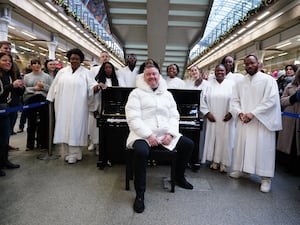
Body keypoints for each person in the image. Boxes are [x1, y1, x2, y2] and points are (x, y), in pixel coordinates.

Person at [125, 64, 194, 213]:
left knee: (188, 144)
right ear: (143, 77)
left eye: (154, 74)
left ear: (159, 76)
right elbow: (133, 118)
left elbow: (174, 116)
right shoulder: (136, 93)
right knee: (142, 152)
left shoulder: (167, 94)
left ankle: (179, 177)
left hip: (164, 133)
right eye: (148, 74)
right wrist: (148, 135)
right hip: (142, 134)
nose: (152, 77)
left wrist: (170, 134)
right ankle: (140, 195)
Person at [229, 54, 282, 193]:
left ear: (258, 63)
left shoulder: (268, 80)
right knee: (244, 147)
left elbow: (271, 101)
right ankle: (244, 171)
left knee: (263, 149)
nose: (249, 66)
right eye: (246, 64)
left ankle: (266, 178)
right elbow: (234, 100)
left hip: (261, 121)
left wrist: (253, 114)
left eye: (252, 63)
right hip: (244, 120)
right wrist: (239, 112)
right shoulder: (240, 82)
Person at [47, 48, 100, 164]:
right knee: (64, 127)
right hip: (63, 105)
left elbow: (92, 86)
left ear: (81, 60)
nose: (74, 60)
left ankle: (75, 153)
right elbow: (54, 85)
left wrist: (96, 88)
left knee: (76, 128)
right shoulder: (62, 72)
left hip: (78, 107)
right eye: (72, 58)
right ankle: (66, 152)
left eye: (76, 58)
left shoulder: (86, 72)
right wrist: (50, 98)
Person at [200, 64, 234, 173]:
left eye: (222, 71)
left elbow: (236, 100)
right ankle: (214, 161)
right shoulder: (208, 85)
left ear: (225, 71)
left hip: (226, 117)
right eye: (217, 70)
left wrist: (231, 112)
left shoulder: (232, 84)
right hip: (212, 117)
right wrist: (207, 113)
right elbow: (202, 100)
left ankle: (224, 163)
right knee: (213, 138)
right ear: (214, 72)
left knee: (225, 139)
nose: (219, 72)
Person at [0, 53, 24, 176]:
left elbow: (18, 93)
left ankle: (4, 161)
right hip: (2, 109)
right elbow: (2, 94)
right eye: (4, 60)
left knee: (6, 136)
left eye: (9, 61)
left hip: (10, 108)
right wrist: (11, 86)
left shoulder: (11, 75)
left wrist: (20, 87)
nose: (8, 63)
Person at [23, 58, 53, 150]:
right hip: (31, 100)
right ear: (31, 66)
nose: (36, 65)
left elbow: (51, 89)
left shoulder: (47, 76)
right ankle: (30, 145)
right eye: (34, 64)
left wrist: (43, 86)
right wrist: (34, 88)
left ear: (41, 65)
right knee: (31, 123)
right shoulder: (27, 77)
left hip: (43, 100)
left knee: (44, 123)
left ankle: (43, 144)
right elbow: (24, 90)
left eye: (38, 63)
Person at [276, 68, 300, 175]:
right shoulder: (290, 86)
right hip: (290, 120)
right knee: (290, 142)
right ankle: (287, 164)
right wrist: (293, 98)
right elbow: (282, 100)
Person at [0, 41, 23, 151]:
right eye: (5, 48)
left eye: (9, 48)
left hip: (13, 100)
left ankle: (6, 146)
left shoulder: (14, 65)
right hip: (2, 102)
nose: (8, 50)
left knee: (8, 127)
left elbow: (17, 77)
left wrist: (20, 85)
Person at [88, 51, 110, 152]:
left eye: (106, 56)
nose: (104, 58)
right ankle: (93, 142)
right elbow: (90, 84)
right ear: (99, 58)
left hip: (107, 100)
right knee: (93, 123)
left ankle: (102, 144)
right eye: (103, 56)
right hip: (96, 98)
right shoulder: (93, 70)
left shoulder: (111, 69)